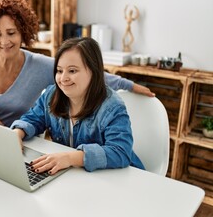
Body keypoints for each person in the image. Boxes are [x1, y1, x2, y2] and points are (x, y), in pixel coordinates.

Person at [0, 0, 154, 127]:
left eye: (11, 33)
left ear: (23, 32)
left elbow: (88, 72)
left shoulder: (40, 65)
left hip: (22, 141)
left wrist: (131, 85)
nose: (4, 41)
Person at [11, 37, 145, 174]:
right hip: (77, 176)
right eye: (59, 70)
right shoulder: (52, 95)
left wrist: (71, 158)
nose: (63, 79)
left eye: (72, 71)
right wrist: (17, 133)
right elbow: (33, 118)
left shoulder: (113, 107)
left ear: (93, 72)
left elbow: (120, 152)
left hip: (120, 180)